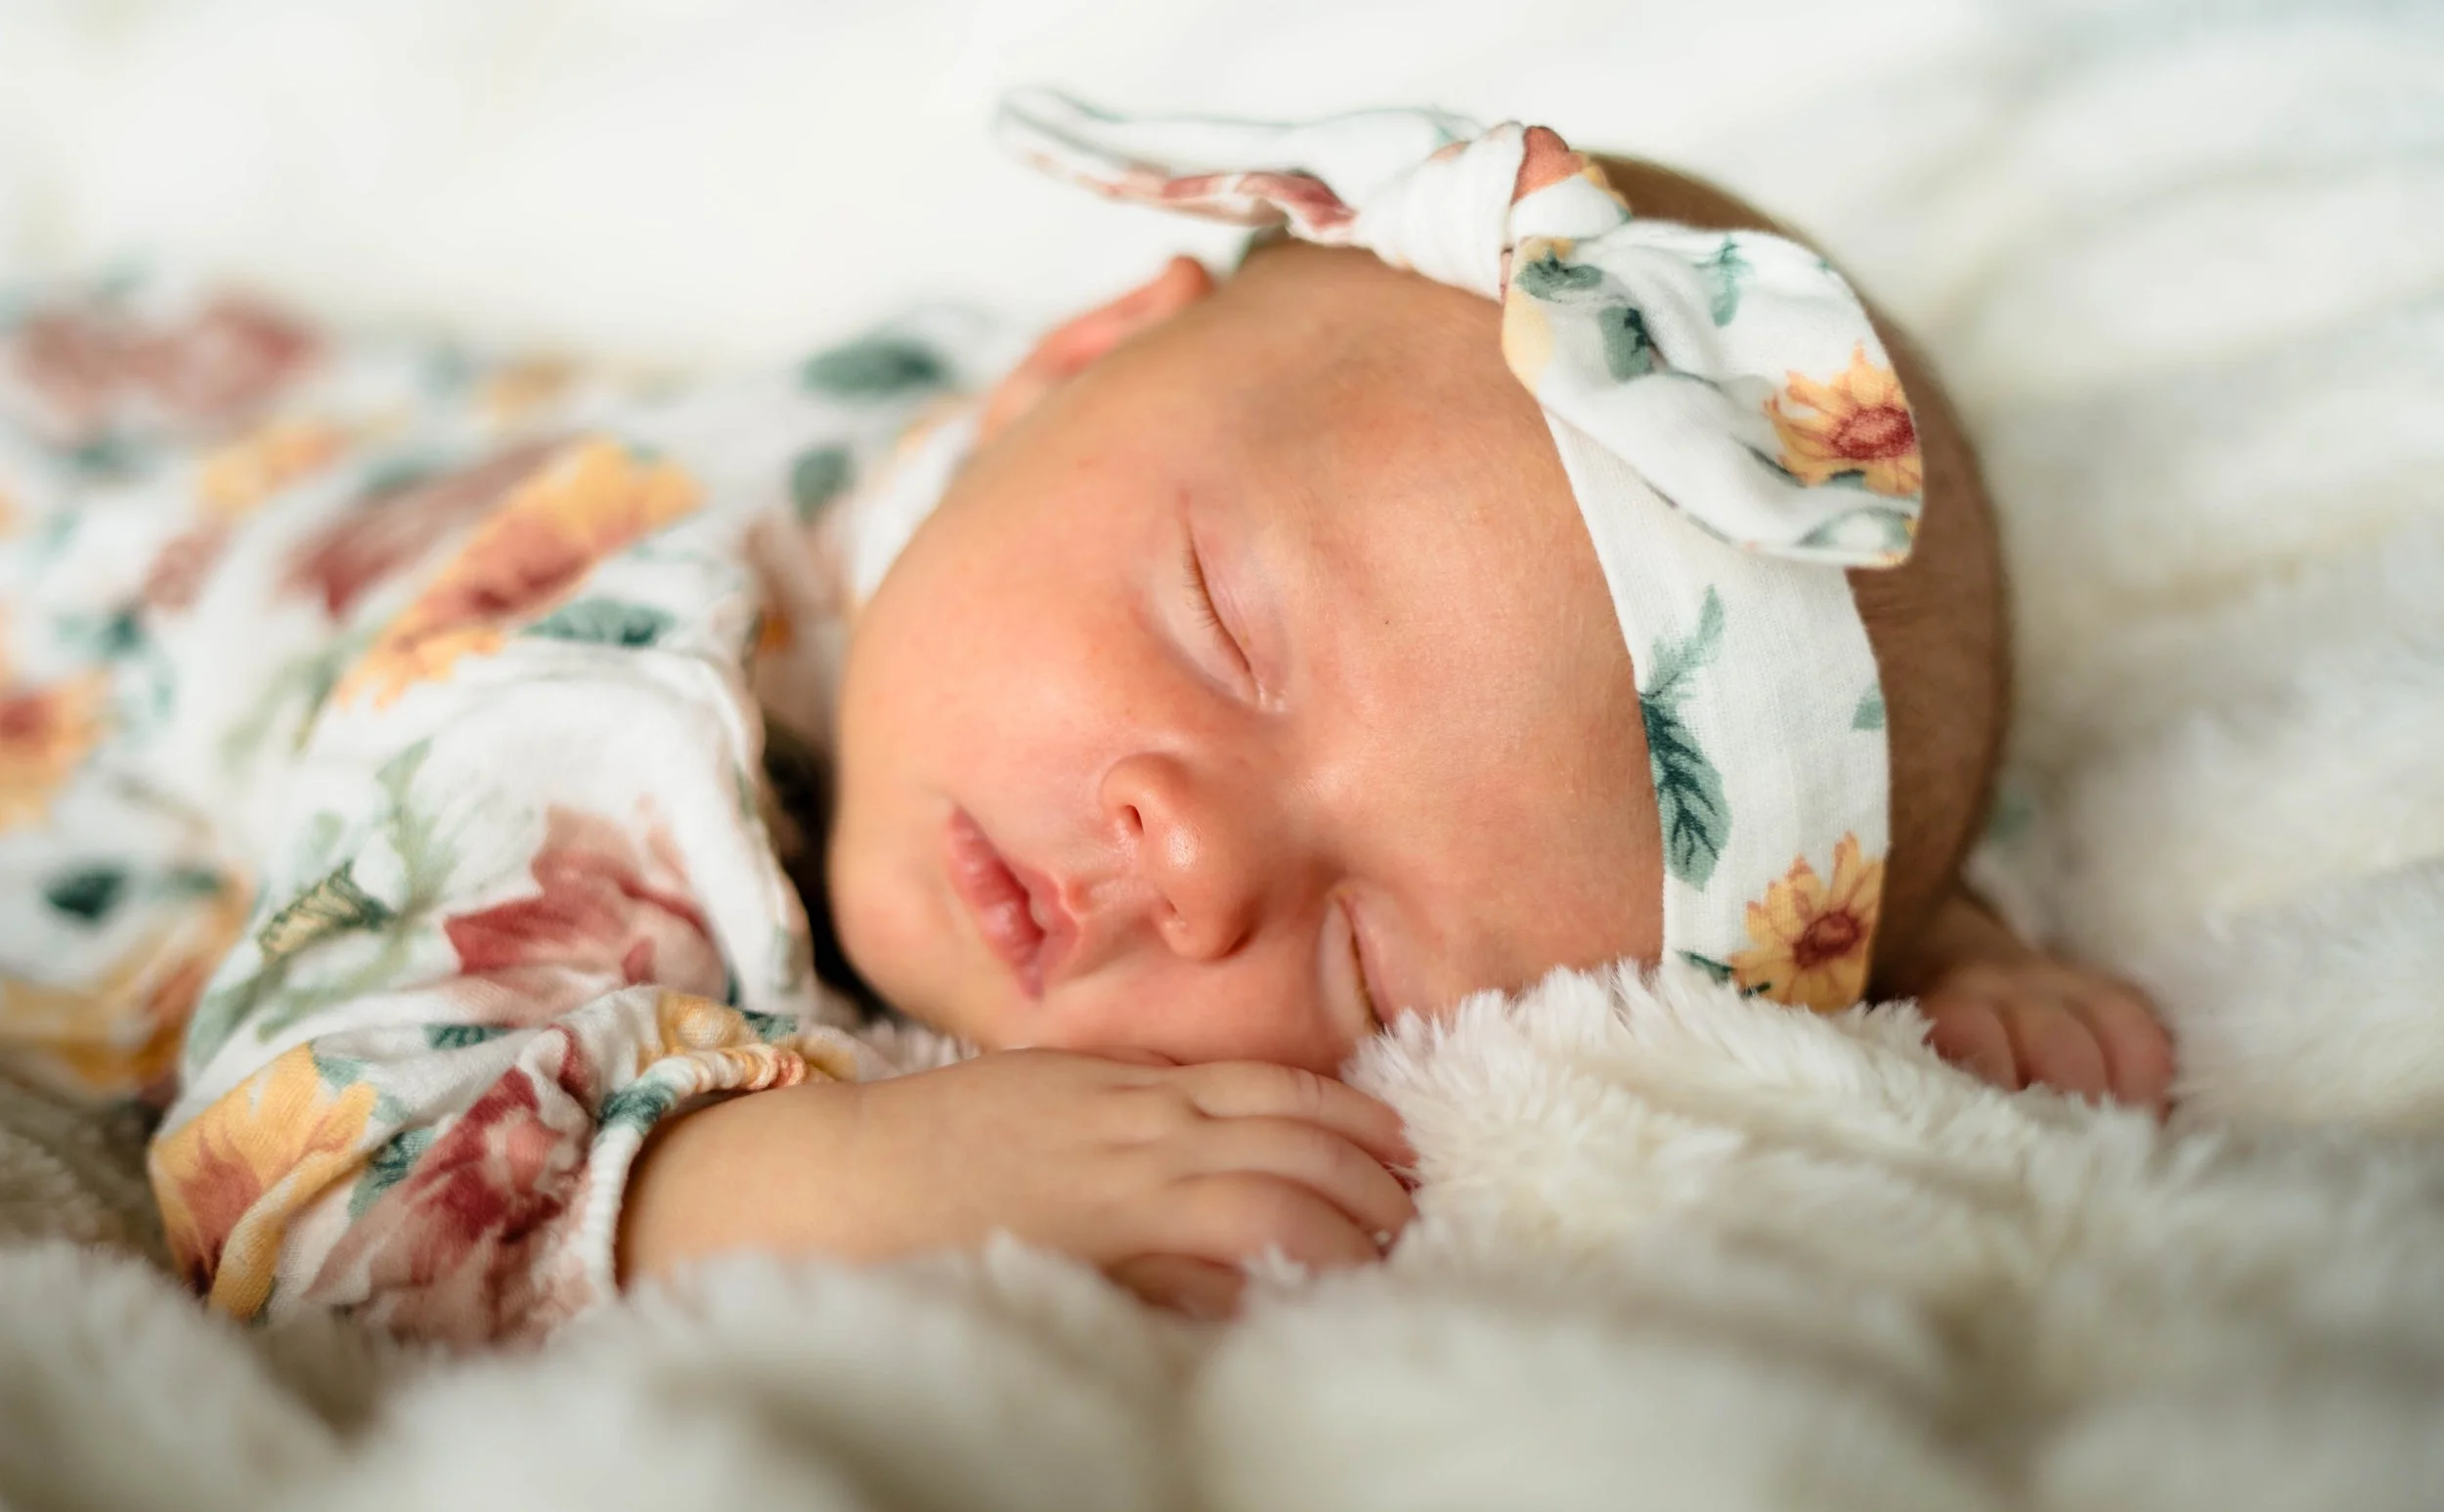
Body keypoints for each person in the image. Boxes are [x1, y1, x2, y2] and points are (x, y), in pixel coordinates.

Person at [0, 96, 2172, 1345]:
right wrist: (809, 1184)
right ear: (1070, 359)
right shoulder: (574, 731)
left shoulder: (1137, 480)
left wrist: (1910, 933)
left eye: (1365, 955)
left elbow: (1574, 763)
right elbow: (300, 1198)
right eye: (1224, 629)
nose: (1199, 853)